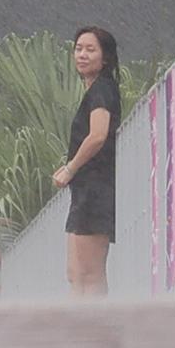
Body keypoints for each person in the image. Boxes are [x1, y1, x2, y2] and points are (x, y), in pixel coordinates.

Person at [52, 26, 121, 297]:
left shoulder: (103, 89)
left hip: (96, 189)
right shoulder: (94, 91)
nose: (82, 55)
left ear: (105, 58)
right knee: (75, 273)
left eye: (90, 50)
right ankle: (77, 319)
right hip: (84, 191)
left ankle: (95, 321)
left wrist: (70, 168)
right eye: (78, 49)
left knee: (90, 273)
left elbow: (97, 135)